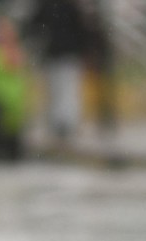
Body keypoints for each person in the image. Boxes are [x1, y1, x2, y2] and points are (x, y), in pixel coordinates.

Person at [26, 0, 97, 143]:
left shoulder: (47, 6)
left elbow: (33, 27)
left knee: (57, 91)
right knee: (67, 90)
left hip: (54, 53)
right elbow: (83, 31)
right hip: (68, 53)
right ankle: (65, 124)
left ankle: (59, 124)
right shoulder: (72, 7)